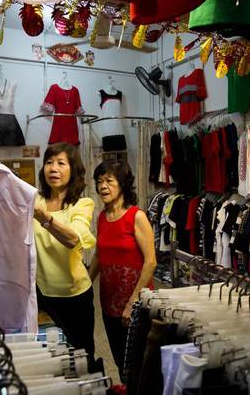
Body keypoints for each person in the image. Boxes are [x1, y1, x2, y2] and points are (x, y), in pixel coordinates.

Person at [89, 160, 157, 375]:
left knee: (140, 362)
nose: (103, 186)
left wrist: (133, 302)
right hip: (109, 302)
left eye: (109, 180)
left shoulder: (136, 216)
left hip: (136, 304)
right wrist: (84, 285)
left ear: (123, 184)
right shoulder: (102, 217)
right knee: (119, 359)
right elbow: (99, 256)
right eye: (99, 181)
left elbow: (151, 262)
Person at [33, 143, 97, 363]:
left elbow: (73, 239)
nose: (53, 168)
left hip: (75, 295)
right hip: (42, 295)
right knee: (51, 356)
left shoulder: (81, 204)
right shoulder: (36, 201)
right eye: (49, 162)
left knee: (82, 354)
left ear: (73, 169)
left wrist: (46, 219)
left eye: (61, 163)